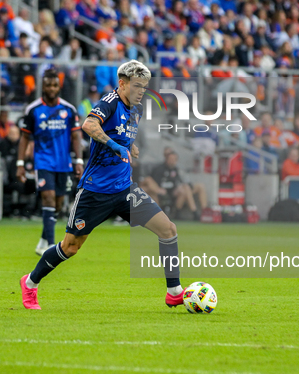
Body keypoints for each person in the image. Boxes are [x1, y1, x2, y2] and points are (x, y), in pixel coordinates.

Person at [19, 60, 185, 311]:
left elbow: (122, 135)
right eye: (138, 85)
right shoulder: (109, 102)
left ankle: (174, 291)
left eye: (145, 86)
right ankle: (30, 283)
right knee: (70, 247)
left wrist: (129, 146)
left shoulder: (136, 110)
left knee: (168, 229)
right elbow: (88, 125)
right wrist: (115, 145)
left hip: (124, 189)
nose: (142, 91)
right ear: (123, 83)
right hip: (95, 192)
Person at [17, 69, 84, 256]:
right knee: (47, 198)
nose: (52, 88)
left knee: (57, 203)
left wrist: (78, 160)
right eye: (48, 85)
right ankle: (52, 246)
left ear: (59, 86)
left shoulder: (68, 109)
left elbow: (76, 136)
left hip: (63, 163)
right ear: (43, 86)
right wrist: (20, 164)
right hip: (43, 161)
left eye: (55, 85)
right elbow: (24, 138)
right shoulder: (33, 110)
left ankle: (43, 241)